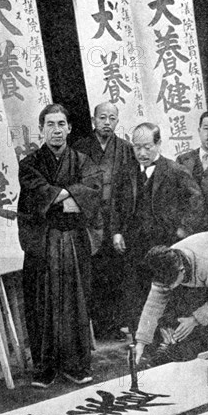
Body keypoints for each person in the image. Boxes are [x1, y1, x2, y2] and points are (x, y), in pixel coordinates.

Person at [18, 104, 102, 388]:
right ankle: (44, 367)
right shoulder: (29, 164)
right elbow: (36, 194)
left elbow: (93, 189)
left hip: (75, 241)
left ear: (69, 128)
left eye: (61, 124)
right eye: (50, 124)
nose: (56, 129)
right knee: (43, 304)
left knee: (77, 303)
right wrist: (70, 195)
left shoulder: (82, 160)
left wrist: (58, 197)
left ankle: (76, 365)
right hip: (44, 242)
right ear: (42, 129)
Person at [111, 122, 202, 335]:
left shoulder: (175, 171)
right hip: (133, 247)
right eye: (136, 147)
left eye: (147, 146)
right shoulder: (127, 172)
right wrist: (116, 232)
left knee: (165, 293)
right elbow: (115, 205)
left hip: (164, 245)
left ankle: (167, 342)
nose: (141, 153)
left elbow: (197, 201)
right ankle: (139, 342)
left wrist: (183, 230)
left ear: (158, 144)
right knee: (135, 295)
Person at [134, 231, 208, 404]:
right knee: (187, 316)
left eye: (169, 283)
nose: (165, 287)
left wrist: (195, 319)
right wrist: (141, 341)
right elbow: (154, 304)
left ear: (181, 270)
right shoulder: (165, 262)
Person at [73, 102, 136, 339]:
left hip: (116, 217)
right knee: (94, 273)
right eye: (102, 118)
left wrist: (121, 226)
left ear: (117, 121)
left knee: (117, 272)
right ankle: (98, 326)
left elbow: (130, 189)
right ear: (93, 120)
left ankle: (116, 325)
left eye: (111, 118)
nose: (107, 122)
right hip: (90, 219)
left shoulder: (125, 148)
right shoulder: (80, 147)